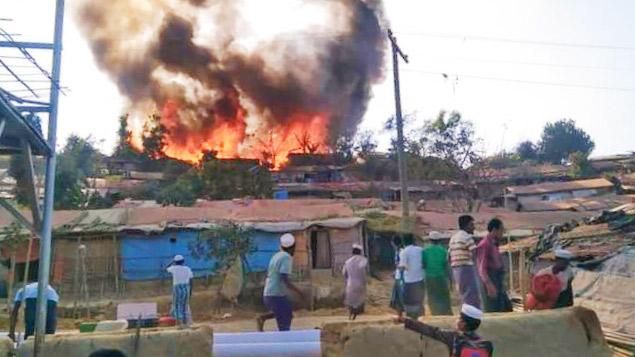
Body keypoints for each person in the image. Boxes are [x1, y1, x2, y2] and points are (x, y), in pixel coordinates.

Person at [257, 233, 304, 331]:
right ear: (293, 247)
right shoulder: (286, 257)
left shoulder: (276, 256)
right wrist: (298, 291)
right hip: (276, 294)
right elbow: (284, 278)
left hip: (269, 293)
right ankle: (284, 336)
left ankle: (263, 318)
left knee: (283, 312)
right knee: (286, 316)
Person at [404, 304, 493, 357]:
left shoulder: (455, 337)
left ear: (463, 323)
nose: (456, 320)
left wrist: (405, 321)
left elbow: (431, 331)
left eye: (458, 318)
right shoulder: (487, 344)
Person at [476, 218, 512, 313]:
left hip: (498, 278)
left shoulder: (494, 244)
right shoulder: (484, 244)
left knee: (506, 308)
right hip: (491, 279)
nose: (502, 232)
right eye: (501, 230)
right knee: (493, 310)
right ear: (495, 230)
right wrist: (489, 286)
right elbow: (482, 269)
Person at [449, 215, 482, 308]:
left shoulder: (453, 238)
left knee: (464, 295)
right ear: (466, 226)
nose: (474, 227)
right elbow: (475, 253)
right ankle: (473, 316)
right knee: (472, 296)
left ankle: (466, 314)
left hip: (456, 270)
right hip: (466, 268)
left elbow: (448, 256)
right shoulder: (467, 237)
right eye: (472, 225)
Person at [422, 231, 452, 316]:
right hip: (441, 276)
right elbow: (446, 266)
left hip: (429, 276)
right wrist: (450, 280)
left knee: (431, 295)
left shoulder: (425, 251)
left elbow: (423, 264)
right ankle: (446, 312)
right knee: (443, 295)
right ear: (439, 240)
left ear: (430, 240)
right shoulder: (443, 251)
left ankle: (435, 313)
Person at [399, 233, 425, 319]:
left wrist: (401, 280)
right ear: (413, 240)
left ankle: (411, 320)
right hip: (420, 280)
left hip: (409, 281)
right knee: (419, 301)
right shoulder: (420, 250)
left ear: (403, 242)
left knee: (409, 302)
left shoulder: (403, 252)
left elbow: (402, 267)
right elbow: (424, 263)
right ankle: (421, 319)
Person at [342, 243, 368, 320]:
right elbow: (364, 273)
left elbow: (344, 273)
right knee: (359, 300)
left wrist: (348, 279)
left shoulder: (348, 262)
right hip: (360, 284)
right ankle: (356, 314)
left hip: (351, 284)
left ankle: (351, 314)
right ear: (360, 252)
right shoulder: (363, 260)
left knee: (351, 300)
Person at [166, 254, 193, 328]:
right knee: (185, 305)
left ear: (175, 262)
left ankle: (179, 324)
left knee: (177, 305)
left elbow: (166, 268)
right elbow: (191, 280)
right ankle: (187, 323)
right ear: (183, 261)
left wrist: (172, 262)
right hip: (186, 287)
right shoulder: (187, 269)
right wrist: (190, 291)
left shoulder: (173, 268)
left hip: (177, 288)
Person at [389, 236, 405, 320]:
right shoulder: (397, 252)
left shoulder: (401, 252)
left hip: (401, 277)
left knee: (400, 297)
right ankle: (399, 315)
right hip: (398, 276)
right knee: (397, 298)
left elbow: (402, 265)